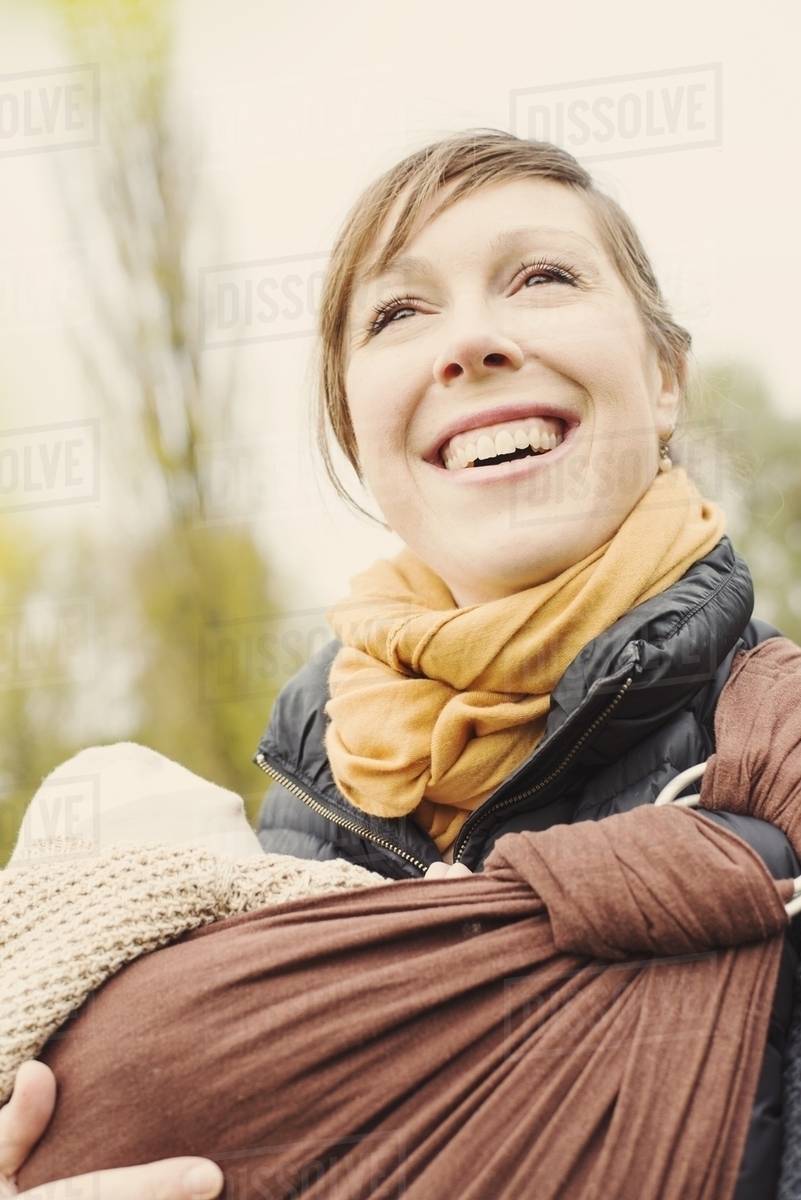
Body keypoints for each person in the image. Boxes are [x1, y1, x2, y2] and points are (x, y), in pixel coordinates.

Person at [2, 129, 798, 1200]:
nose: (468, 343)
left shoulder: (778, 768)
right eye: (399, 313)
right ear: (359, 435)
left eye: (544, 277)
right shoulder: (264, 848)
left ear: (665, 379)